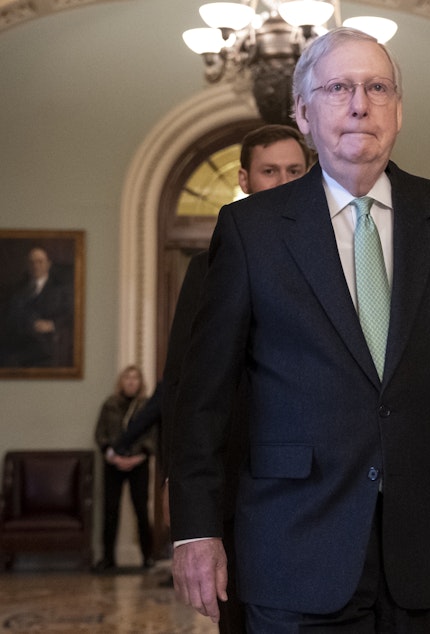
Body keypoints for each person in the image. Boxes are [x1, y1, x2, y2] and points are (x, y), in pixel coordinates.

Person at [169, 27, 430, 632]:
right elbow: (202, 400)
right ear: (304, 114)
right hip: (292, 546)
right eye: (339, 88)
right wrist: (196, 530)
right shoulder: (251, 231)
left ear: (399, 111)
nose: (360, 103)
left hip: (423, 549)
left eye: (377, 87)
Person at [115, 123, 313, 633]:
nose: (284, 181)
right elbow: (181, 385)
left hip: (321, 482)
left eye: (295, 171)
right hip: (234, 477)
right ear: (245, 180)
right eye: (271, 172)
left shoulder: (341, 259)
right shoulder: (207, 269)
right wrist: (179, 484)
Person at [93, 364, 155, 572]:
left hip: (139, 464)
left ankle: (148, 557)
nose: (131, 382)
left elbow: (153, 435)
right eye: (127, 378)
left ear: (140, 382)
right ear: (121, 382)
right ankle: (108, 558)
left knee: (141, 510)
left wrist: (139, 456)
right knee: (110, 510)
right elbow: (100, 433)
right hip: (113, 463)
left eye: (135, 378)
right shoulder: (109, 405)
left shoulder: (146, 406)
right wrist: (112, 455)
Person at [1, 246, 73, 367]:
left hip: (47, 348)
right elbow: (9, 317)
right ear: (27, 266)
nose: (36, 266)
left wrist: (53, 324)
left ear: (48, 264)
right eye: (32, 262)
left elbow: (70, 315)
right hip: (19, 347)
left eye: (40, 262)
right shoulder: (18, 290)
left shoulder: (60, 290)